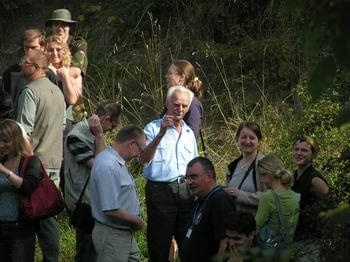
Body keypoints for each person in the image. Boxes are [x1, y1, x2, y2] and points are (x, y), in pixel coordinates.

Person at [16, 49, 65, 262]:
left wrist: (25, 163)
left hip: (34, 165)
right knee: (48, 216)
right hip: (54, 163)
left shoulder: (30, 91)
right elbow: (62, 126)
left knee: (26, 218)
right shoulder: (58, 92)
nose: (20, 64)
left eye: (25, 61)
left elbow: (22, 132)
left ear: (36, 67)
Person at [139, 86, 198, 261]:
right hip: (161, 192)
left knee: (189, 245)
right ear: (167, 103)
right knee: (159, 246)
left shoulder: (188, 133)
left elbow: (194, 166)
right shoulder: (152, 128)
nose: (180, 109)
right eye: (176, 104)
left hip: (186, 191)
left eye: (184, 105)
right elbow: (142, 160)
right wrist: (160, 134)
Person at [64, 102, 122, 262]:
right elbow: (101, 167)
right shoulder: (76, 137)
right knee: (87, 252)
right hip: (83, 203)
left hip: (94, 201)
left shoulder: (88, 132)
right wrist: (99, 136)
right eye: (112, 126)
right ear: (106, 119)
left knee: (96, 250)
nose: (111, 130)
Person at [89, 125, 146, 262]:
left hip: (123, 232)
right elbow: (110, 209)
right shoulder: (108, 166)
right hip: (111, 234)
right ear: (131, 143)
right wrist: (137, 221)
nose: (139, 155)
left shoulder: (116, 161)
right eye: (140, 149)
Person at [180, 157, 236, 262]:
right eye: (187, 178)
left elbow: (225, 242)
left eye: (194, 177)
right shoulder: (201, 198)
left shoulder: (220, 199)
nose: (189, 182)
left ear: (209, 176)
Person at [0, 119, 40, 262]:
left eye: (5, 141)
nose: (1, 145)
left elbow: (28, 187)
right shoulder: (1, 160)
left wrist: (5, 171)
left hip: (21, 229)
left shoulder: (30, 161)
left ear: (16, 140)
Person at [46, 8, 88, 123]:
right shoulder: (45, 44)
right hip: (49, 109)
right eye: (56, 24)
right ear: (52, 27)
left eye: (64, 25)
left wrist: (50, 71)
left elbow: (75, 71)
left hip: (73, 112)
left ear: (69, 27)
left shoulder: (78, 44)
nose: (60, 28)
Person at [0, 29, 56, 113]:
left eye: (33, 47)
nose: (30, 51)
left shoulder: (49, 74)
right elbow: (4, 102)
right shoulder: (11, 72)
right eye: (27, 47)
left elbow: (55, 104)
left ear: (42, 47)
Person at [255, 155, 300, 249]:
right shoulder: (294, 196)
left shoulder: (268, 197)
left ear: (268, 174)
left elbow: (256, 227)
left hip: (270, 250)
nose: (261, 180)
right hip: (287, 249)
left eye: (261, 175)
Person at [291, 136, 328, 239]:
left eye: (304, 150)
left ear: (313, 155)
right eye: (296, 149)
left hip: (312, 240)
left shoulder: (315, 179)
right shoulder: (295, 176)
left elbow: (332, 208)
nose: (299, 153)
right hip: (297, 237)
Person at [224, 122, 266, 214]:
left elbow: (271, 197)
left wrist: (240, 195)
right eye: (243, 137)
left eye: (252, 138)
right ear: (237, 139)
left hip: (256, 224)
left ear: (259, 141)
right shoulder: (232, 166)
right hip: (233, 224)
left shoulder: (265, 165)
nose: (247, 141)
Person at [45, 35, 83, 133]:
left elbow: (71, 100)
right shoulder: (41, 71)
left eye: (58, 49)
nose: (55, 53)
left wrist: (65, 76)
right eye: (50, 50)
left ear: (64, 52)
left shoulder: (72, 72)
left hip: (65, 120)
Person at [164, 59, 203, 138]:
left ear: (181, 78)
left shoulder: (192, 104)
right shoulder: (172, 100)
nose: (166, 76)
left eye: (170, 73)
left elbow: (191, 135)